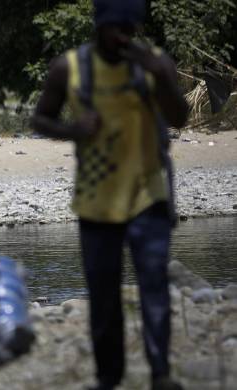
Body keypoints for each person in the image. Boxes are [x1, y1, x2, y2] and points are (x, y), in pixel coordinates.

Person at [31, 0, 189, 389]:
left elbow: (180, 117)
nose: (123, 37)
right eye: (115, 28)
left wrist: (162, 77)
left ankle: (161, 373)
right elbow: (39, 119)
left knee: (153, 285)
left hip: (148, 195)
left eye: (130, 29)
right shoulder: (69, 67)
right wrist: (74, 129)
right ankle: (108, 377)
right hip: (96, 201)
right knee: (103, 296)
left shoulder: (154, 63)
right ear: (98, 26)